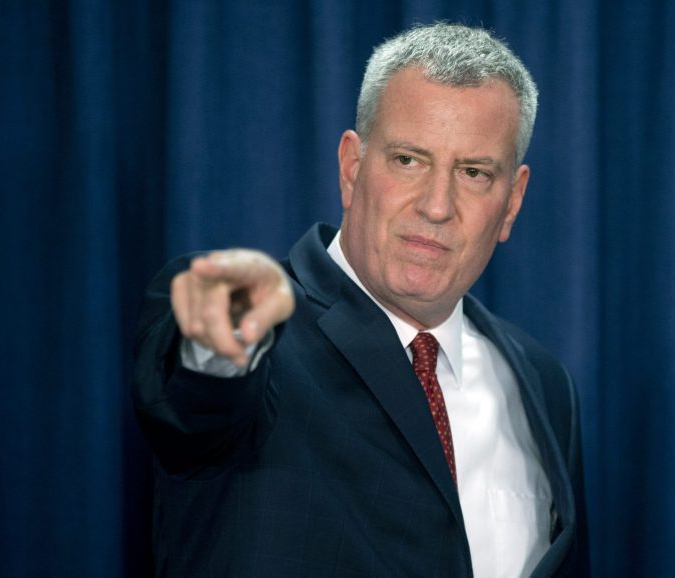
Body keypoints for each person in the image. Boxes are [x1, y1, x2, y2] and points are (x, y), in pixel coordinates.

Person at [133, 22, 589, 577]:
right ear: (352, 169)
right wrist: (217, 348)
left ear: (512, 201)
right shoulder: (259, 335)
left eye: (473, 173)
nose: (437, 206)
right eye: (408, 160)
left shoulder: (545, 385)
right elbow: (194, 406)